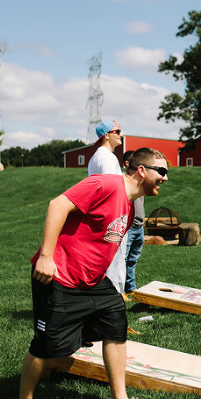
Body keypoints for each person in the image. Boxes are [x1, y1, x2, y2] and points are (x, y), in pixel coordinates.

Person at [17, 148, 169, 399]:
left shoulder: (130, 203)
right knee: (46, 345)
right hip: (58, 276)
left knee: (116, 324)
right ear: (142, 170)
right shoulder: (105, 184)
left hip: (93, 281)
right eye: (162, 171)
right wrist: (46, 257)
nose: (166, 178)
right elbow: (57, 205)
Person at [88, 120, 127, 297]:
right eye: (116, 131)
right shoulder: (107, 158)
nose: (120, 134)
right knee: (115, 260)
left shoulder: (98, 156)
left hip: (104, 214)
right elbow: (111, 189)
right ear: (106, 135)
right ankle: (114, 300)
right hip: (112, 215)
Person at [123, 150, 145, 296]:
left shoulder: (140, 183)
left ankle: (130, 287)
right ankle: (118, 290)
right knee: (122, 259)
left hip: (139, 227)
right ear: (127, 163)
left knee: (133, 259)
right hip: (129, 228)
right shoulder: (124, 182)